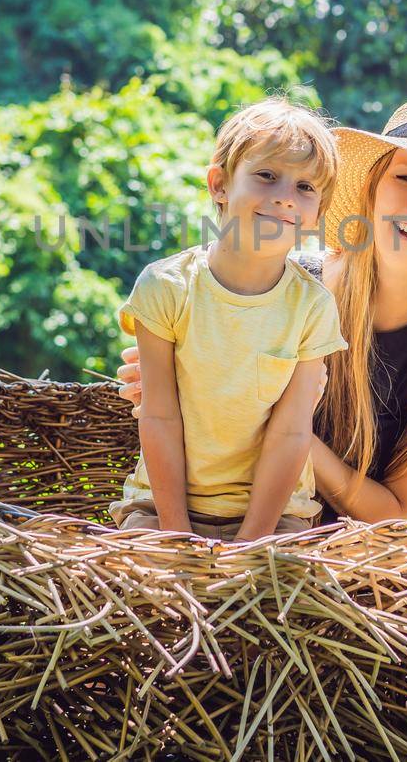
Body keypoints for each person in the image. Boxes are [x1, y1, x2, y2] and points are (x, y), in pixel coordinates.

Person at [116, 97, 407, 525]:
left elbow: (396, 514)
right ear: (371, 189)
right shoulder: (287, 287)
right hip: (218, 517)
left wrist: (280, 420)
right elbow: (173, 392)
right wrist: (185, 384)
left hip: (339, 560)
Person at [109, 97, 348, 542]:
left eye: (305, 188)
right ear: (219, 184)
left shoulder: (312, 307)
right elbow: (159, 416)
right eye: (267, 176)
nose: (284, 198)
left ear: (318, 211)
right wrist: (178, 535)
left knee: (275, 583)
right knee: (146, 572)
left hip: (274, 515)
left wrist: (250, 541)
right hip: (162, 505)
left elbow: (291, 433)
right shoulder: (166, 287)